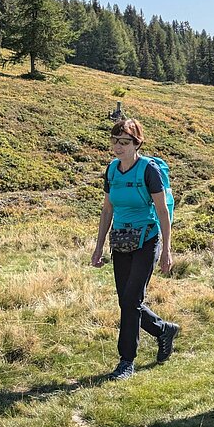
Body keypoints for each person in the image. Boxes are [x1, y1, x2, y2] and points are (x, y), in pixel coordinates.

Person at [91, 118, 179, 380]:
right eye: (115, 141)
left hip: (148, 239)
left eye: (125, 142)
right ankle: (163, 330)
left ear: (137, 143)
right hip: (120, 240)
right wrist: (98, 248)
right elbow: (107, 210)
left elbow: (163, 211)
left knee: (131, 300)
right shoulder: (112, 170)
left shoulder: (148, 170)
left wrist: (167, 250)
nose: (118, 147)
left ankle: (126, 361)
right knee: (127, 300)